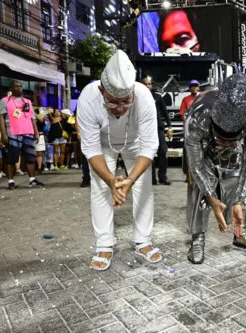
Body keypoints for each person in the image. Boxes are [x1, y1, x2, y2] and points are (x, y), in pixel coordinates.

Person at [77, 50, 161, 271]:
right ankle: (104, 243)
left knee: (144, 187)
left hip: (135, 143)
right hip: (103, 146)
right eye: (113, 102)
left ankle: (143, 239)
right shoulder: (88, 96)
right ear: (101, 90)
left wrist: (131, 179)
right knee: (100, 188)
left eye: (125, 102)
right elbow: (90, 148)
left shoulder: (143, 95)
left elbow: (150, 144)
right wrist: (111, 180)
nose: (120, 108)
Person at [185, 73, 246, 264]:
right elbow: (195, 164)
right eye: (222, 139)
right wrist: (212, 198)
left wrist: (238, 200)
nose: (225, 144)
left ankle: (241, 234)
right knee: (199, 184)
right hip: (203, 148)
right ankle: (197, 238)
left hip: (236, 155)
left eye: (230, 140)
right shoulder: (197, 117)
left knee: (241, 179)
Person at [0, 80, 43, 190]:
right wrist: (3, 134)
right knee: (11, 158)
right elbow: (1, 118)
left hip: (27, 132)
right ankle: (10, 181)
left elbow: (32, 118)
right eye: (16, 86)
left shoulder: (27, 101)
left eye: (20, 86)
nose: (19, 88)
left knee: (30, 157)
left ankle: (32, 180)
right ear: (11, 88)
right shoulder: (4, 101)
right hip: (13, 132)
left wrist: (36, 133)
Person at [141, 76, 173, 185]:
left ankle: (162, 176)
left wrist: (169, 127)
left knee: (163, 151)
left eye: (149, 84)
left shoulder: (157, 97)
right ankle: (151, 178)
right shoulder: (138, 98)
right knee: (148, 154)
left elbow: (165, 113)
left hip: (158, 128)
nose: (147, 86)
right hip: (145, 129)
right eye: (145, 84)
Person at [180, 80, 200, 182]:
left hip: (200, 129)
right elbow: (182, 114)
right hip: (189, 130)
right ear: (189, 88)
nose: (194, 88)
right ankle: (189, 175)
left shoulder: (202, 98)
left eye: (196, 86)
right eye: (192, 86)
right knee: (188, 152)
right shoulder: (186, 99)